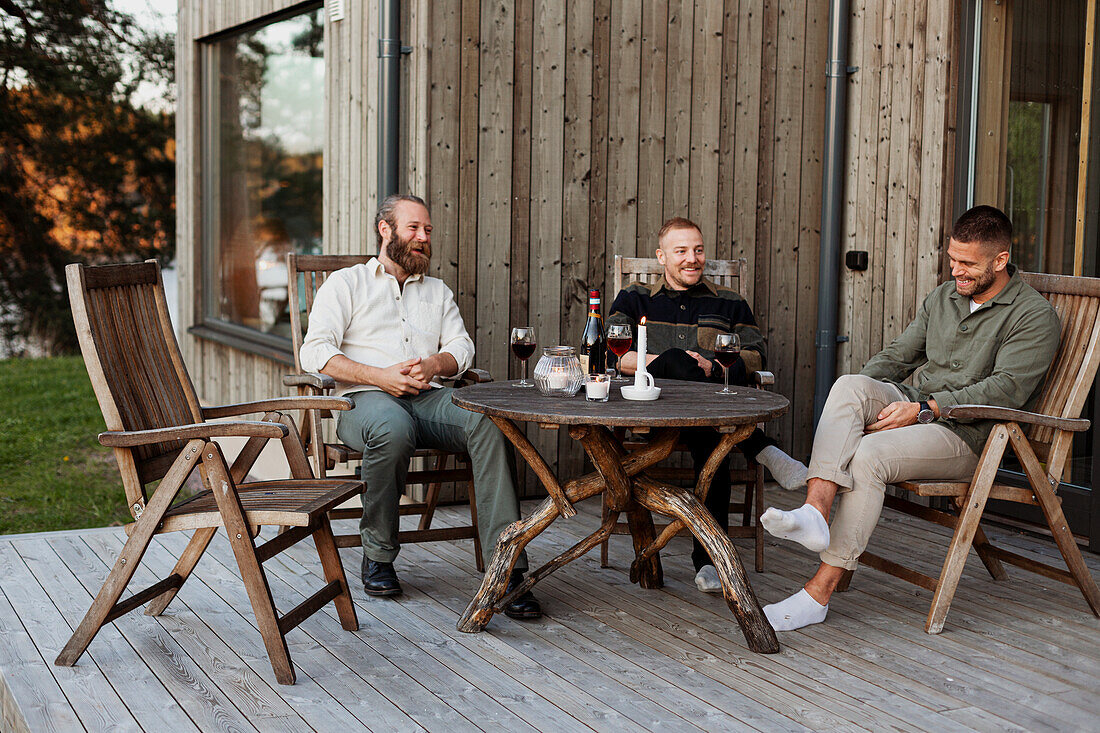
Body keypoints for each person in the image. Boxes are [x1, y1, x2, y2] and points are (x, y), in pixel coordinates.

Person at [759, 205, 1060, 631]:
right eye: (952, 259)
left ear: (1000, 260)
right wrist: (858, 406)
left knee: (868, 457)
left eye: (967, 264)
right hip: (920, 408)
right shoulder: (945, 297)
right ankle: (814, 512)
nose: (956, 271)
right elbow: (898, 357)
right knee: (849, 385)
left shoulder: (1033, 316)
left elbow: (1006, 389)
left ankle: (817, 594)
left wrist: (924, 409)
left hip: (971, 435)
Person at [299, 194, 541, 620]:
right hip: (364, 399)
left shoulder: (437, 290)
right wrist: (380, 376)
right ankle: (378, 555)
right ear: (385, 229)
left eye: (427, 230)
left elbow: (461, 347)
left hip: (429, 397)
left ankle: (508, 570)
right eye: (413, 228)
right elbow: (315, 352)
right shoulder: (346, 284)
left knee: (489, 420)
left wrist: (434, 363)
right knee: (393, 428)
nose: (423, 238)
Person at [608, 216, 809, 593]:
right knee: (678, 364)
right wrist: (674, 360)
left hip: (711, 413)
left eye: (698, 250)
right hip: (652, 407)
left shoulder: (730, 303)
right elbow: (613, 355)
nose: (692, 258)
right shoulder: (635, 298)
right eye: (681, 251)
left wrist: (713, 365)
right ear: (661, 256)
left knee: (713, 444)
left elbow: (755, 355)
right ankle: (761, 449)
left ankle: (710, 563)